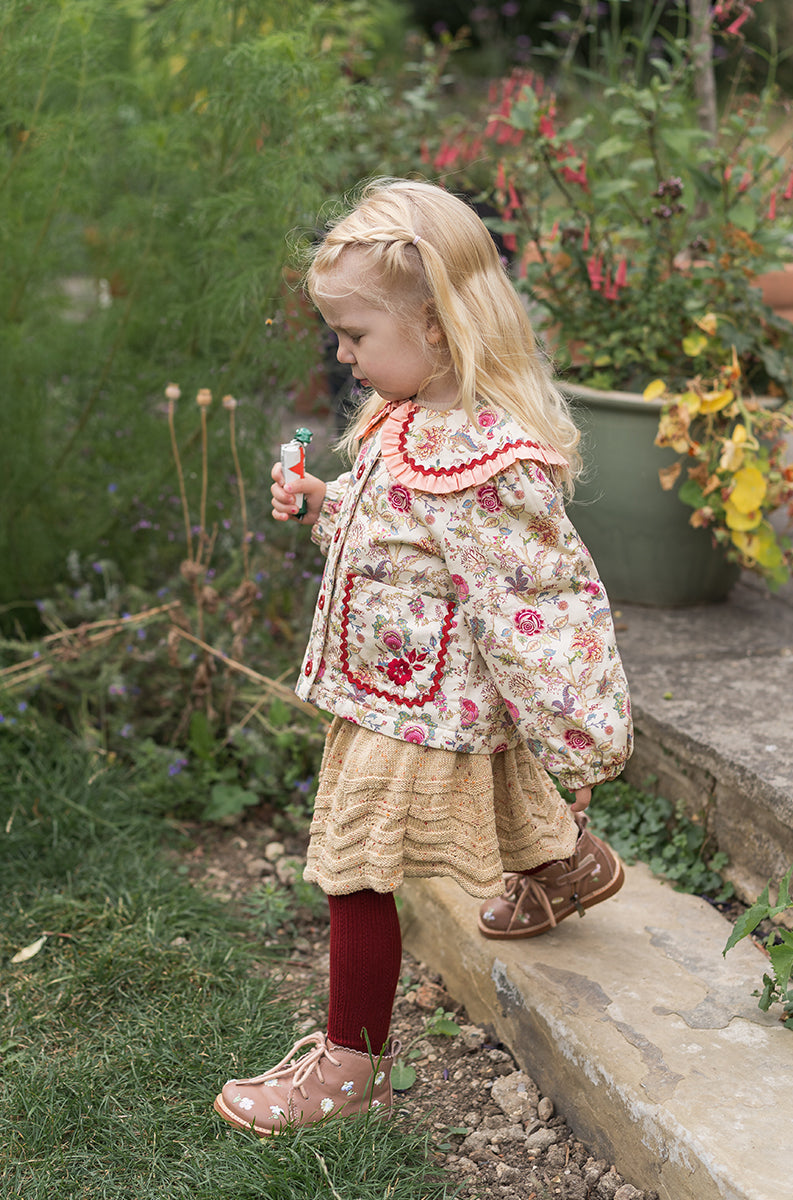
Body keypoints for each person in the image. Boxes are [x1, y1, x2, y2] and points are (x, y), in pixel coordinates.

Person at [213, 178, 632, 1136]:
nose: (344, 355)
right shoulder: (403, 417)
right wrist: (326, 502)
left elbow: (538, 604)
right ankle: (571, 867)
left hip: (424, 705)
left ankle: (350, 1065)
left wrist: (576, 728)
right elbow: (398, 540)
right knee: (501, 800)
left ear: (437, 326)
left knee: (355, 864)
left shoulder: (488, 461)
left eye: (355, 335)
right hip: (398, 686)